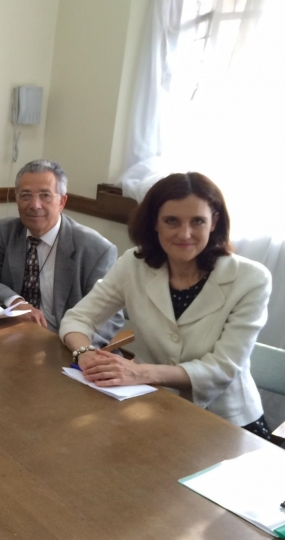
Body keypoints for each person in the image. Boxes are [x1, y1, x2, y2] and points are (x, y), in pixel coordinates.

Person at [60, 172, 272, 437]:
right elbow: (78, 319)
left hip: (223, 422)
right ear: (155, 223)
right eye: (172, 221)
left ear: (214, 222)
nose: (185, 234)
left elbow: (222, 368)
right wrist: (85, 354)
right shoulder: (133, 264)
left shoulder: (251, 279)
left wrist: (139, 373)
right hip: (145, 405)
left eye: (197, 221)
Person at [0, 159, 122, 345]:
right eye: (25, 195)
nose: (35, 205)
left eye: (45, 195)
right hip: (15, 336)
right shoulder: (8, 231)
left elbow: (110, 315)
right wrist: (15, 301)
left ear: (62, 201)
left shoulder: (96, 249)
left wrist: (79, 348)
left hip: (64, 342)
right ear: (17, 199)